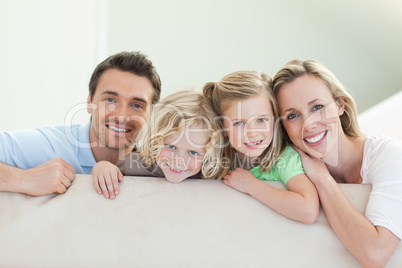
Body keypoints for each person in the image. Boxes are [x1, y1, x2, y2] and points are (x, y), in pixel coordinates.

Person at [273, 59, 402, 267]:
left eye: (317, 107)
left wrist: (322, 178)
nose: (309, 124)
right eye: (293, 115)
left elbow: (376, 254)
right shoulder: (294, 177)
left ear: (340, 105)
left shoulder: (390, 155)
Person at [0, 51, 161, 196]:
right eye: (110, 100)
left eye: (136, 105)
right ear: (90, 102)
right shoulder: (52, 146)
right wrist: (24, 179)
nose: (121, 116)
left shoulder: (156, 163)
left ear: (151, 114)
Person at [202, 71, 319, 224]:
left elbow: (308, 211)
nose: (252, 133)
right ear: (222, 128)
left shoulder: (285, 159)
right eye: (239, 123)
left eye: (261, 120)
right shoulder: (219, 158)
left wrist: (251, 186)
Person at [91, 89, 225, 199]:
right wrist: (102, 167)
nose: (178, 161)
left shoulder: (211, 174)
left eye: (193, 152)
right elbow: (105, 180)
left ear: (209, 152)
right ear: (154, 140)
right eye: (171, 147)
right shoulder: (133, 164)